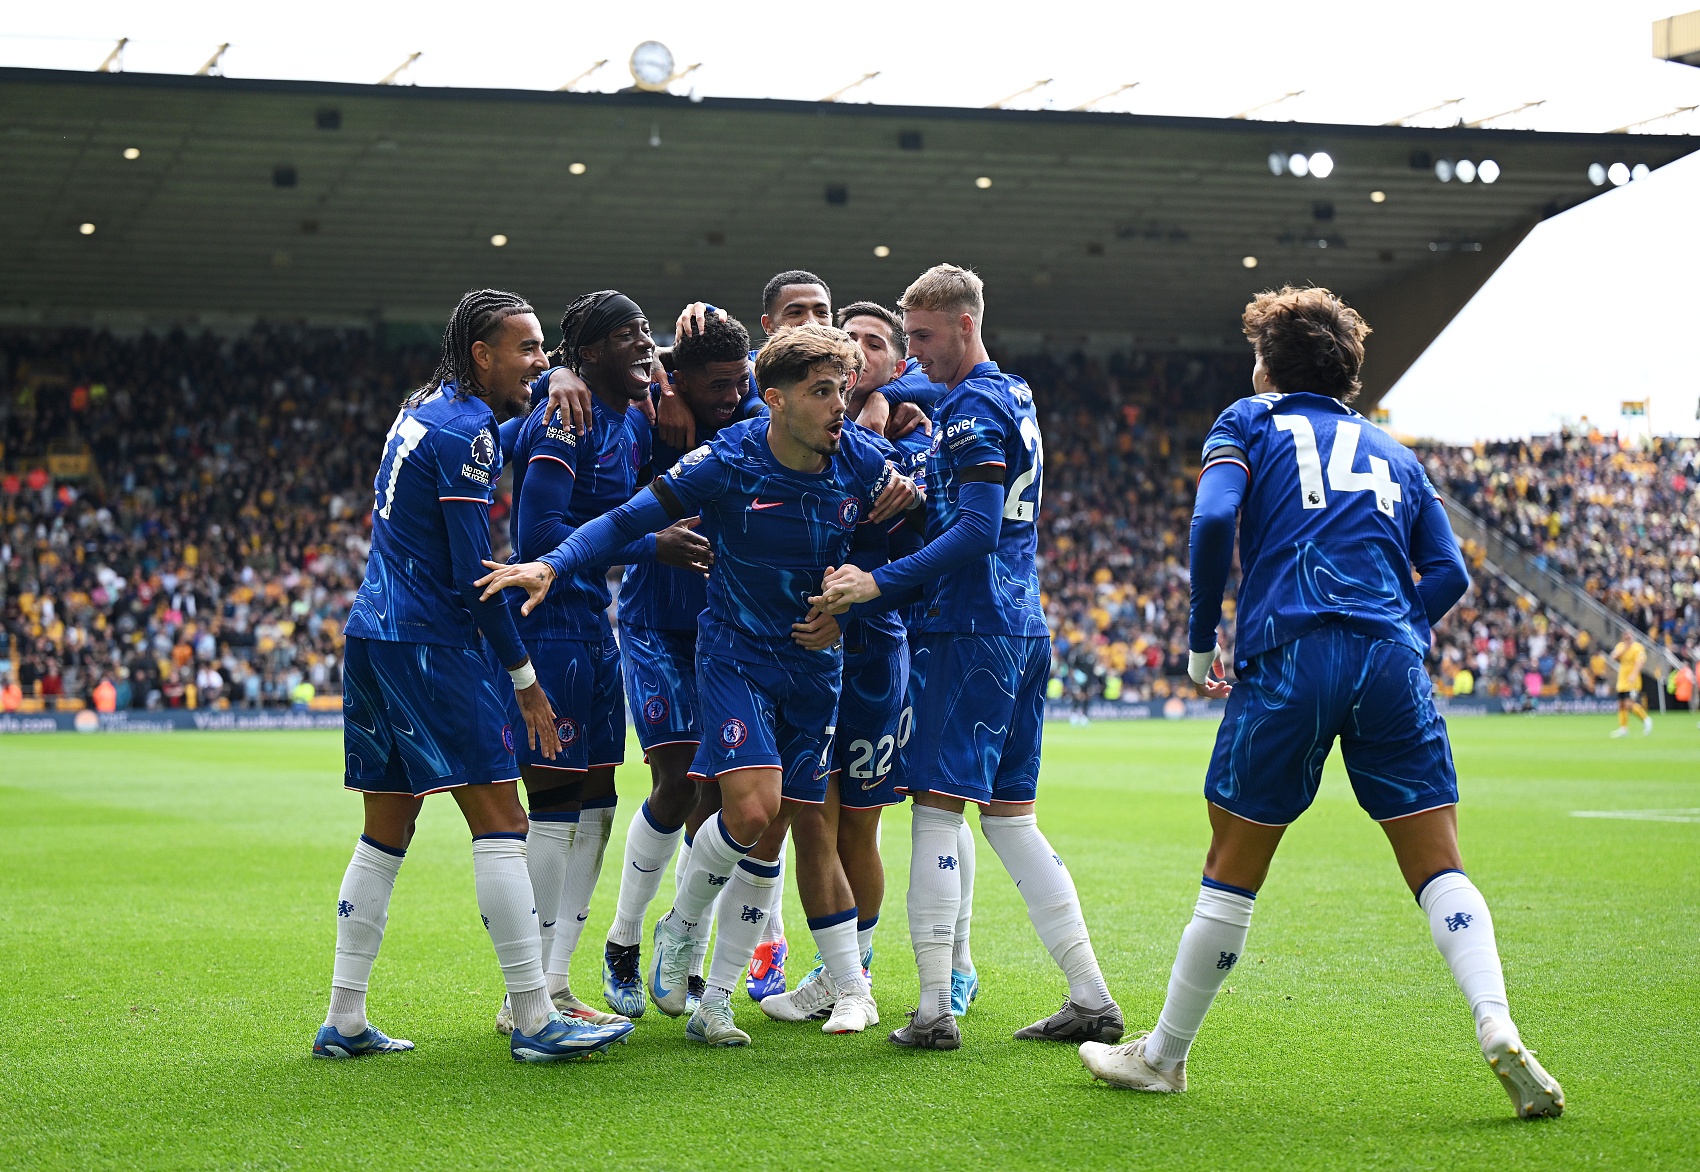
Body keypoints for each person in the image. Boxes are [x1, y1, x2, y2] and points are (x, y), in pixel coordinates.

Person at [1077, 286, 1563, 1121]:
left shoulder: (1248, 420)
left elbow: (1213, 522)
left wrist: (1201, 639)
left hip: (1290, 652)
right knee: (1438, 863)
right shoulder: (1395, 453)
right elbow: (1450, 573)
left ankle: (1163, 1056)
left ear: (1267, 366)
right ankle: (1496, 1021)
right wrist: (1396, 630)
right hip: (1390, 660)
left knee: (1233, 864)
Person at [478, 323, 918, 1044]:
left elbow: (897, 548)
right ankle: (680, 928)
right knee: (752, 808)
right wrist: (553, 563)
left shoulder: (866, 461)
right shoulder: (729, 458)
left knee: (779, 824)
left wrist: (855, 600)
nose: (840, 405)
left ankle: (716, 982)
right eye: (822, 392)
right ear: (775, 400)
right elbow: (626, 518)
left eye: (843, 390)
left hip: (817, 665)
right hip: (737, 655)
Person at [315, 288, 633, 1063]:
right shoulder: (468, 435)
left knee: (387, 828)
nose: (540, 360)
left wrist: (555, 380)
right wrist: (525, 680)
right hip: (433, 643)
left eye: (544, 348)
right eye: (526, 348)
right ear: (482, 355)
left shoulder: (425, 410)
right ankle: (534, 1015)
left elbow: (507, 430)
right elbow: (472, 576)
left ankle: (344, 1018)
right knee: (502, 821)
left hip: (373, 633)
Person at [815, 265, 1122, 1051]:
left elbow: (978, 529)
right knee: (1013, 822)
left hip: (968, 629)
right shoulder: (1012, 393)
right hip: (1024, 625)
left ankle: (931, 1009)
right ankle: (1091, 996)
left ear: (964, 325)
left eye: (922, 336)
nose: (913, 352)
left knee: (935, 813)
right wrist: (885, 398)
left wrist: (877, 583)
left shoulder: (971, 409)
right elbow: (930, 398)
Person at [493, 290, 710, 1035]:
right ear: (587, 354)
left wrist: (667, 375)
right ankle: (523, 996)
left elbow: (691, 357)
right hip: (550, 626)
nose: (644, 344)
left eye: (648, 332)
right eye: (627, 335)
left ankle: (556, 983)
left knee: (597, 806)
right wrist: (653, 545)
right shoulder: (565, 416)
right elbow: (541, 534)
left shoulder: (627, 415)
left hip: (593, 626)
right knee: (556, 810)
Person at [760, 301, 968, 1024]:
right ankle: (836, 972)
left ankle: (863, 971)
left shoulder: (916, 437)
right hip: (807, 648)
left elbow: (932, 545)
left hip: (876, 652)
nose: (859, 349)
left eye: (876, 343)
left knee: (860, 825)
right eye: (849, 341)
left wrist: (895, 409)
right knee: (810, 817)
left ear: (897, 361)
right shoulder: (821, 427)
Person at [600, 312, 760, 1017]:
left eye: (738, 381)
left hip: (723, 629)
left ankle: (684, 947)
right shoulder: (642, 418)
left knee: (715, 796)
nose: (732, 395)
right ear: (682, 378)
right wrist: (657, 386)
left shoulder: (754, 414)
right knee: (672, 783)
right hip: (654, 624)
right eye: (716, 385)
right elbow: (573, 376)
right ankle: (624, 939)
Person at [1608, 635, 1652, 738]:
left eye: (1629, 637)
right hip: (1622, 681)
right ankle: (1623, 729)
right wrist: (1625, 648)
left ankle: (1646, 719)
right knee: (1621, 705)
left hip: (1633, 681)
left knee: (1629, 703)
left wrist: (1634, 674)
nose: (1627, 639)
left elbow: (1640, 662)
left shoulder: (1638, 648)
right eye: (1626, 638)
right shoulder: (1621, 646)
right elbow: (1613, 657)